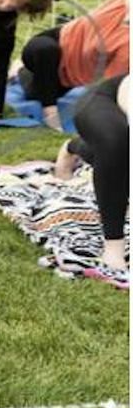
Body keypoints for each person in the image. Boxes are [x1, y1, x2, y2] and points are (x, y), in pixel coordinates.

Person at [54, 74, 129, 288]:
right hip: (103, 100)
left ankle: (77, 146)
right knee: (116, 142)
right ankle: (113, 248)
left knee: (120, 157)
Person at [20, 0, 128, 131]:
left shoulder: (127, 47)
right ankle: (49, 112)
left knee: (35, 93)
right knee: (45, 50)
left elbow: (112, 85)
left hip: (67, 78)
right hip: (55, 41)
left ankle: (20, 72)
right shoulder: (121, 0)